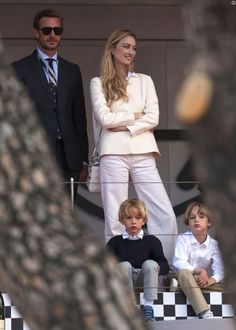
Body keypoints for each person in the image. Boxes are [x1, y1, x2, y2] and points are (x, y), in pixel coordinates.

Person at [90, 28, 178, 262]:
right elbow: (104, 119)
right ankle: (118, 272)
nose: (131, 52)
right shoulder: (98, 83)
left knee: (164, 213)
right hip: (112, 153)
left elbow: (153, 117)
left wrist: (124, 123)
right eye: (126, 46)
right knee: (114, 217)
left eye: (134, 48)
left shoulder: (145, 81)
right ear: (113, 49)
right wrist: (135, 117)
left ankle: (163, 268)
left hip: (143, 152)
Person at [13, 8, 89, 191]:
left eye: (57, 30)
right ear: (36, 33)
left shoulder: (72, 70)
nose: (52, 35)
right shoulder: (18, 69)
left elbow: (79, 117)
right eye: (46, 30)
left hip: (69, 157)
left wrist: (84, 160)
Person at [106, 198, 169, 323]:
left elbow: (165, 265)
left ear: (144, 220)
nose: (134, 222)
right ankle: (131, 307)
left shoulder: (152, 240)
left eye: (138, 217)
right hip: (124, 279)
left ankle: (148, 307)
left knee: (150, 264)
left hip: (144, 279)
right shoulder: (115, 242)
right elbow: (105, 265)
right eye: (129, 218)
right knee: (124, 265)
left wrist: (158, 267)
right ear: (122, 219)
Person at [171, 202, 224, 319]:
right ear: (188, 222)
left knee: (227, 283)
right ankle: (205, 312)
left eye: (201, 216)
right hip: (183, 278)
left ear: (209, 222)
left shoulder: (214, 245)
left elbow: (220, 270)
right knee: (185, 273)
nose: (196, 220)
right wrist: (199, 270)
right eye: (192, 217)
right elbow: (179, 262)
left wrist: (211, 280)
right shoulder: (183, 238)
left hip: (201, 281)